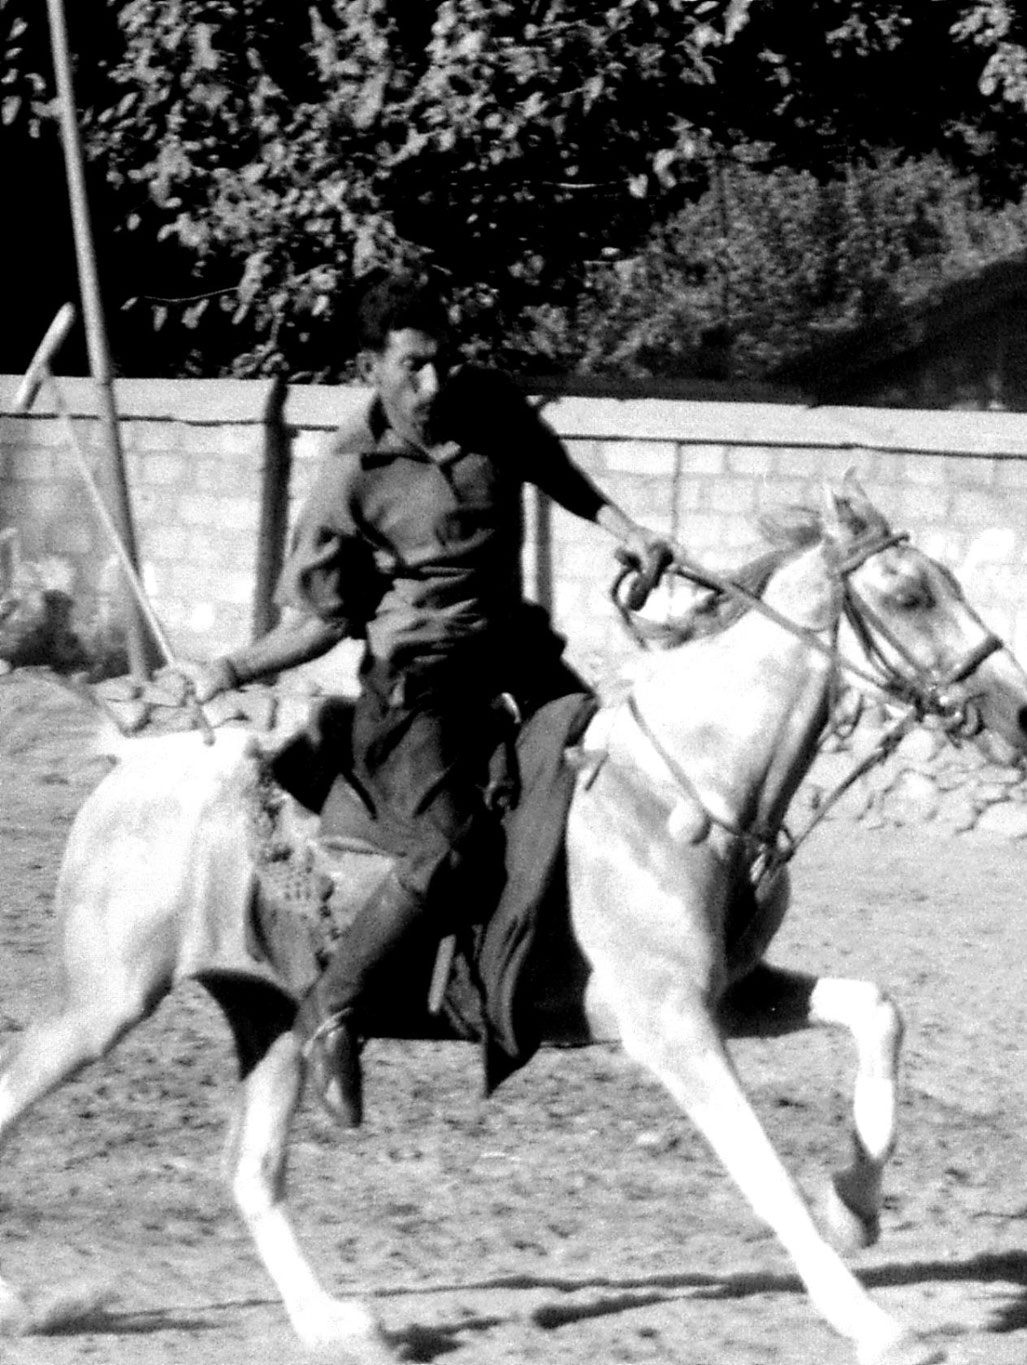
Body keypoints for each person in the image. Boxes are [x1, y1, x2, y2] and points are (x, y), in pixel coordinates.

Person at [186, 271, 676, 1127]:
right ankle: (331, 1013)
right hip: (417, 688)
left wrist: (631, 534)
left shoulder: (488, 404)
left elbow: (558, 472)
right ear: (371, 366)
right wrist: (228, 671)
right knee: (449, 850)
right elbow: (320, 621)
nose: (434, 384)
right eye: (412, 366)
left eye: (442, 361)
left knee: (619, 778)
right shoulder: (351, 473)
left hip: (517, 653)